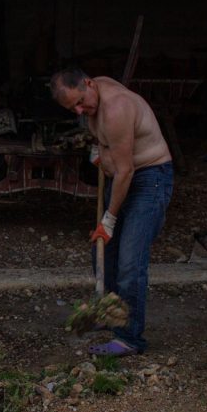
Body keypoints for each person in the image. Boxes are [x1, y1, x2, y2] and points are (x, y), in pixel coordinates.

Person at [50, 68, 174, 357]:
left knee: (130, 261)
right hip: (123, 177)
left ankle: (129, 338)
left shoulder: (117, 107)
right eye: (74, 109)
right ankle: (109, 313)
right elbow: (108, 144)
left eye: (81, 102)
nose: (81, 111)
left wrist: (108, 220)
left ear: (89, 84)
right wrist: (99, 151)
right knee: (103, 252)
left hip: (148, 179)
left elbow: (125, 170)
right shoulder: (95, 94)